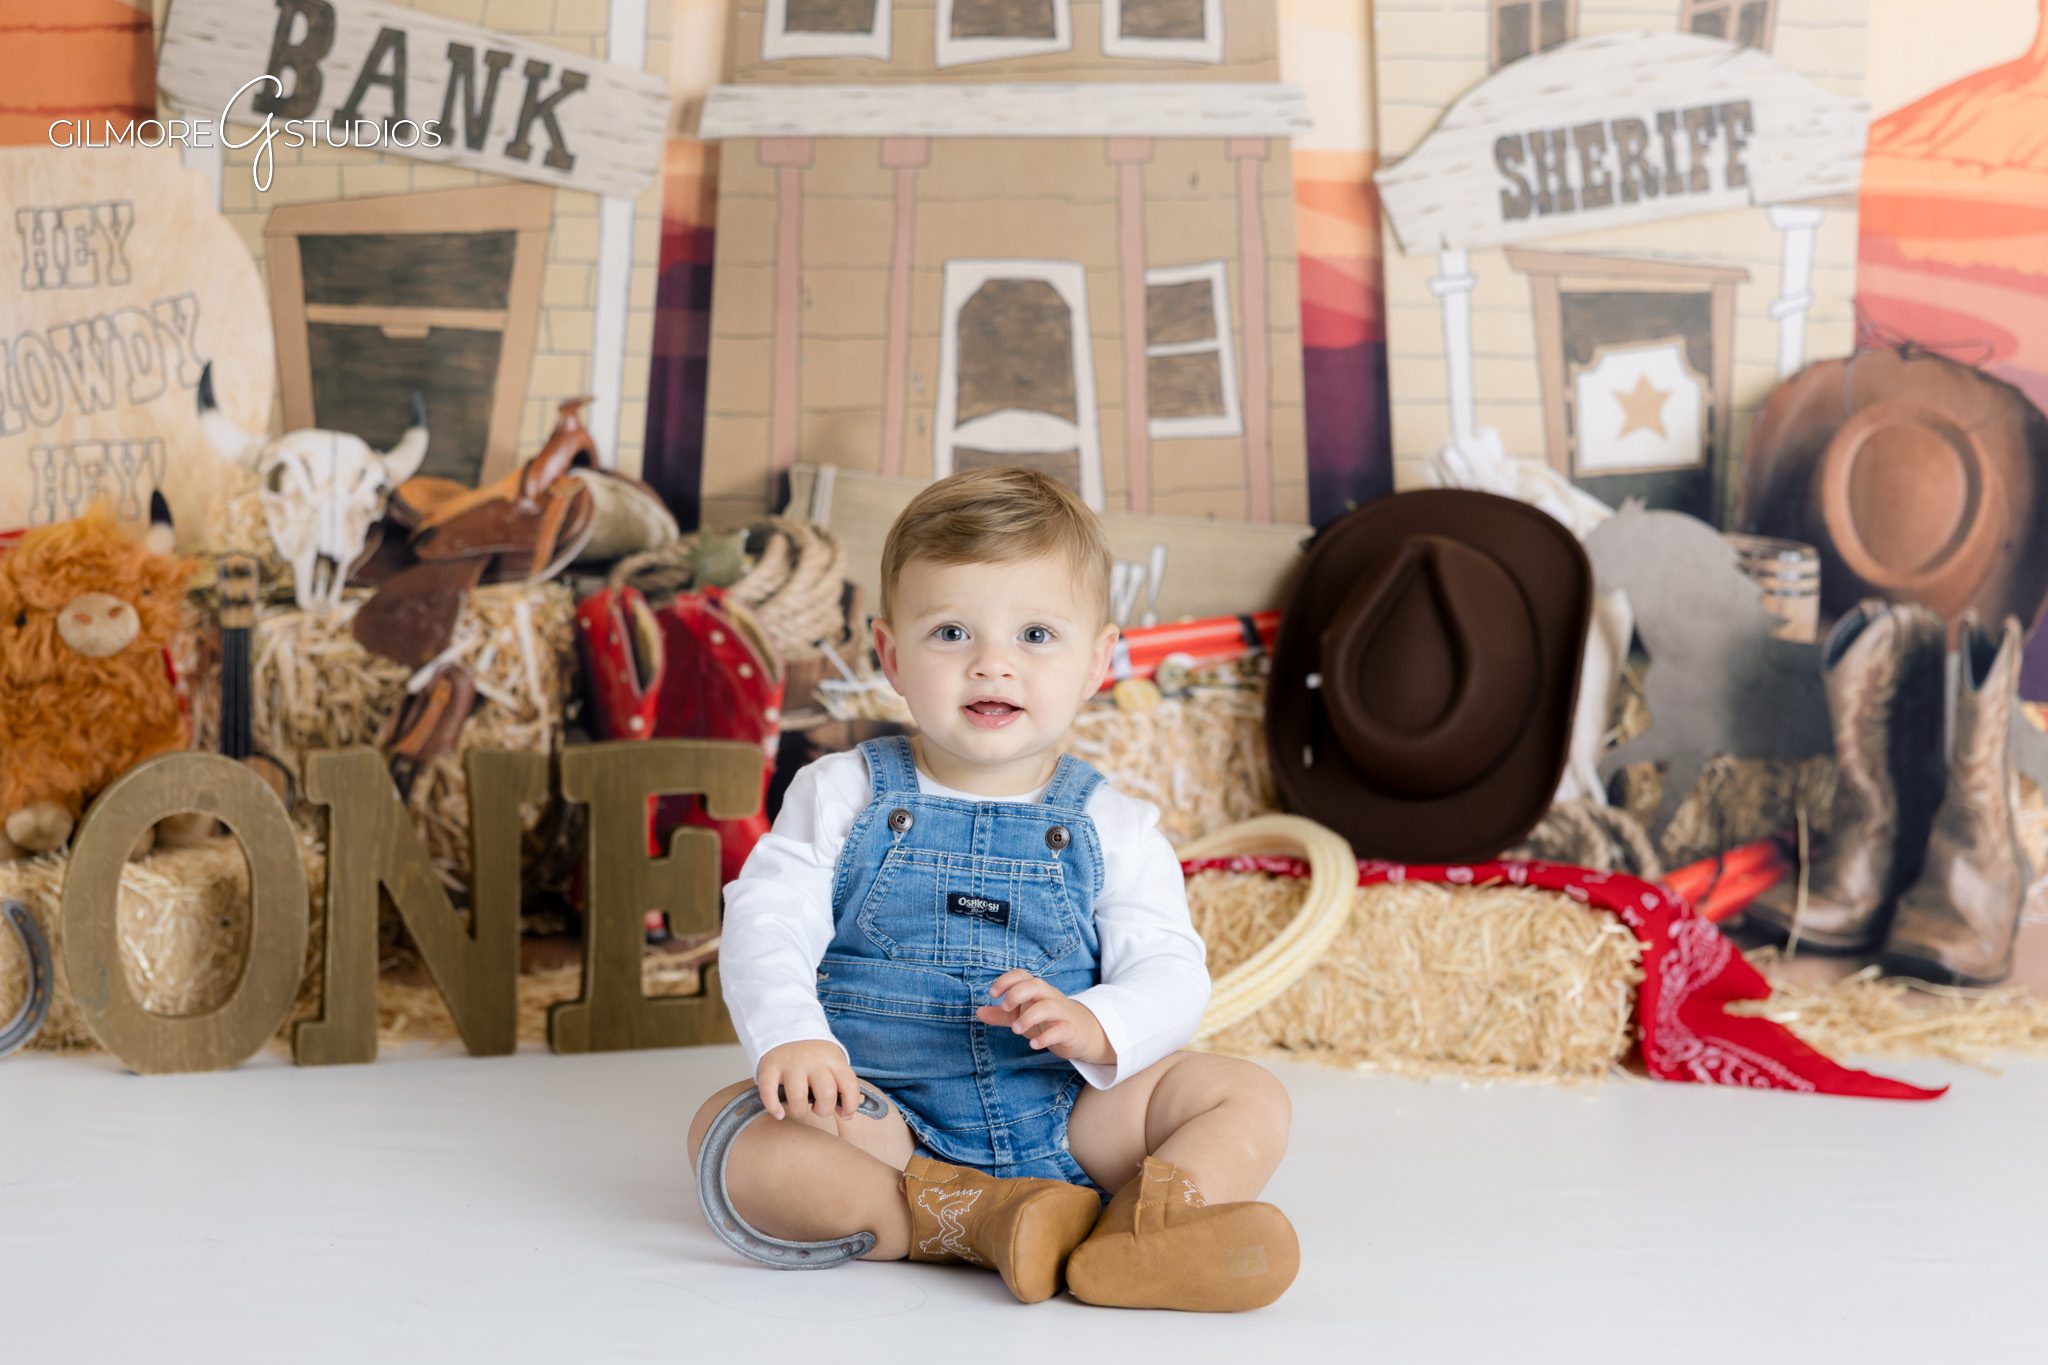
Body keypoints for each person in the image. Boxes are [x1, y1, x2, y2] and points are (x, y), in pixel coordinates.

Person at [687, 467, 1297, 1311]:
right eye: (950, 633)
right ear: (890, 654)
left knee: (1245, 1093)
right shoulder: (841, 791)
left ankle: (1150, 1230)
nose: (992, 665)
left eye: (1036, 635)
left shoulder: (1115, 824)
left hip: (1076, 1112)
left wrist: (1100, 1024)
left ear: (1099, 660)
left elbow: (1172, 970)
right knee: (735, 1137)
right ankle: (979, 1221)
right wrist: (792, 1036)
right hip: (882, 1117)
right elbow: (767, 918)